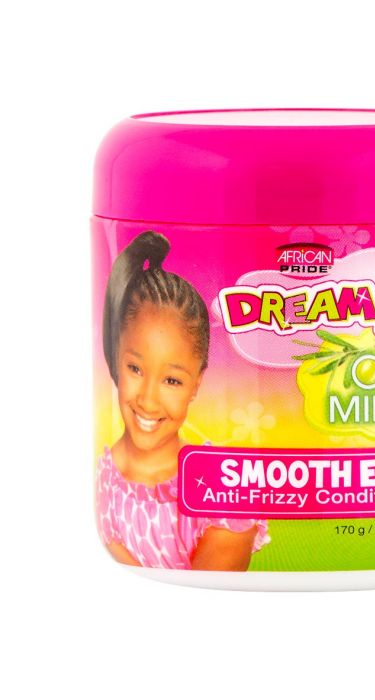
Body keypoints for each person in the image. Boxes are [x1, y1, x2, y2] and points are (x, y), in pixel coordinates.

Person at [96, 231, 269, 570]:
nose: (148, 400)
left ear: (196, 384)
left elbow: (208, 591)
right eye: (135, 368)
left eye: (172, 380)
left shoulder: (224, 492)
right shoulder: (106, 477)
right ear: (116, 359)